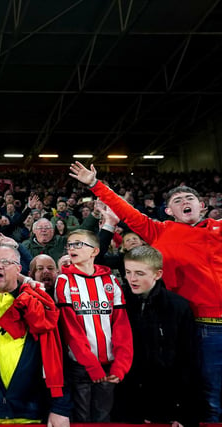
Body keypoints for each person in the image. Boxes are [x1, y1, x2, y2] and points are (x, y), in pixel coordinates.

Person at [69, 161, 222, 421]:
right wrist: (95, 184)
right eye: (178, 200)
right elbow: (125, 210)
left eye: (190, 198)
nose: (185, 201)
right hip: (191, 325)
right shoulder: (160, 231)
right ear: (169, 210)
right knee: (208, 396)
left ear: (202, 206)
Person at [0, 244, 71, 425]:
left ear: (19, 269)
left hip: (28, 413)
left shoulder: (38, 304)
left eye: (6, 262)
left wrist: (60, 407)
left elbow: (56, 358)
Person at [54, 229, 133, 422]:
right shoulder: (63, 281)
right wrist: (91, 365)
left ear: (94, 251)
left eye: (79, 244)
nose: (72, 248)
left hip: (110, 366)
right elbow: (70, 330)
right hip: (81, 367)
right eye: (70, 244)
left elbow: (122, 326)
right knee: (82, 418)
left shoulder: (111, 281)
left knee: (103, 417)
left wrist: (121, 366)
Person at [113, 246, 197, 426]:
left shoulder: (178, 307)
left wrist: (183, 412)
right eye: (128, 272)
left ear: (157, 274)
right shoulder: (117, 302)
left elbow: (187, 360)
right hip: (126, 403)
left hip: (165, 405)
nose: (132, 279)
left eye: (139, 273)